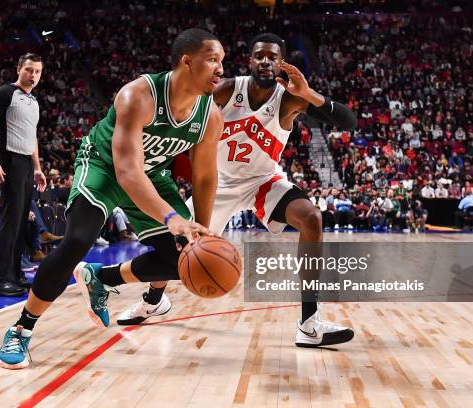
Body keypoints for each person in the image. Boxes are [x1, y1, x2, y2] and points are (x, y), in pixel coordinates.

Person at [0, 28, 224, 369]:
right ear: (187, 61)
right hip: (104, 165)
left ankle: (101, 277)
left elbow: (204, 176)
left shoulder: (210, 116)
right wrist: (172, 218)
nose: (221, 69)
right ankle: (21, 329)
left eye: (223, 61)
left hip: (151, 175)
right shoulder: (138, 96)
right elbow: (127, 172)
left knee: (184, 258)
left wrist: (201, 231)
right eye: (213, 60)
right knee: (76, 240)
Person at [118, 33, 356, 348]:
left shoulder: (290, 97)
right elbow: (185, 110)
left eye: (273, 57)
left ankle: (310, 323)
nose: (266, 61)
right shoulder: (228, 89)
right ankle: (154, 299)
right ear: (250, 60)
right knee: (180, 248)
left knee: (311, 217)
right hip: (219, 182)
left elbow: (349, 121)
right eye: (260, 55)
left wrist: (311, 94)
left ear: (281, 63)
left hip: (263, 180)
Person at [0, 53, 47, 296]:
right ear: (18, 68)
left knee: (21, 223)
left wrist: (38, 168)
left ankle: (16, 275)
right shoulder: (4, 93)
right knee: (9, 222)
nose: (33, 75)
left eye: (37, 71)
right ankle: (1, 280)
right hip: (8, 159)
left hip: (26, 165)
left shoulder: (34, 101)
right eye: (29, 69)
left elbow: (32, 137)